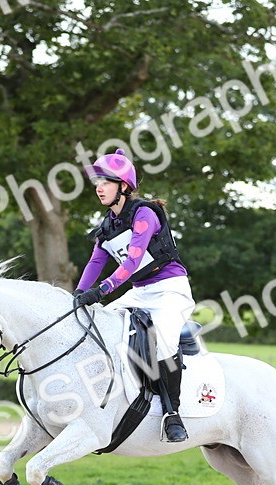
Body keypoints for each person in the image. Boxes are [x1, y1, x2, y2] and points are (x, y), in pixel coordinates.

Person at [74, 148, 195, 443]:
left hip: (171, 290)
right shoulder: (107, 225)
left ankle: (172, 413)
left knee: (163, 342)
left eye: (106, 182)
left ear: (124, 187)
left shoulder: (144, 214)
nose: (99, 188)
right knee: (99, 326)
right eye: (97, 183)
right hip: (139, 293)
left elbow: (131, 262)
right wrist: (77, 296)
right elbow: (95, 263)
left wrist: (100, 291)